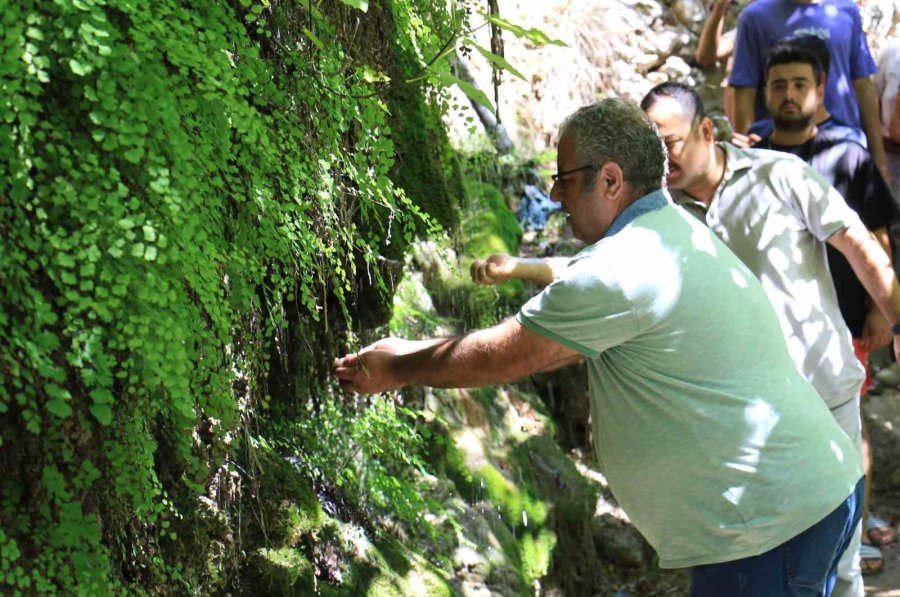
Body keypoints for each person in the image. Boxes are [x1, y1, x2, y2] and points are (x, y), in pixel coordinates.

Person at [339, 98, 864, 596]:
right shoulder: (674, 229)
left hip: (767, 532)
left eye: (564, 180)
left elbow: (506, 356)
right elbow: (573, 316)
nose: (555, 196)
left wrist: (400, 365)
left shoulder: (620, 270)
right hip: (804, 498)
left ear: (610, 179)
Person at [640, 81, 900, 597]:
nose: (660, 159)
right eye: (648, 148)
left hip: (824, 395)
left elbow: (856, 241)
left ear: (706, 130)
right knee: (772, 567)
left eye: (666, 142)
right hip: (743, 424)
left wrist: (896, 318)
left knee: (838, 562)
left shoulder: (779, 175)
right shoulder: (661, 218)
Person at [755, 42, 899, 573]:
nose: (789, 96)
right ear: (764, 92)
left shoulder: (849, 156)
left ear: (820, 91)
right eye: (778, 85)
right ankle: (792, 540)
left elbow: (878, 237)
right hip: (766, 332)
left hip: (843, 324)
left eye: (799, 84)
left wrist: (883, 312)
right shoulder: (748, 163)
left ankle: (852, 534)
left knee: (847, 428)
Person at [726, 0, 887, 175]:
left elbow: (862, 84)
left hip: (843, 147)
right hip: (779, 149)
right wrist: (746, 160)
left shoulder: (847, 10)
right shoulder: (755, 16)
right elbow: (745, 89)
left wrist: (880, 160)